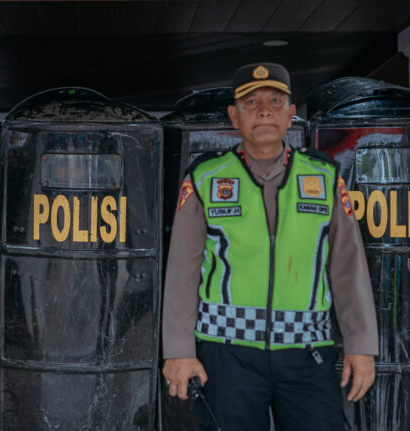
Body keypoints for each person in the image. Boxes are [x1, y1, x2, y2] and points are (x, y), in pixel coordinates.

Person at [161, 63, 378, 431]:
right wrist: (179, 352)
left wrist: (361, 344)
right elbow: (183, 268)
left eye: (275, 101)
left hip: (308, 353)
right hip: (226, 354)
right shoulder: (205, 177)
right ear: (234, 115)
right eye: (250, 102)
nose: (264, 110)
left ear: (292, 114)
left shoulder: (323, 176)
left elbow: (347, 265)